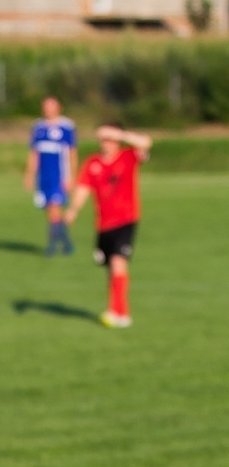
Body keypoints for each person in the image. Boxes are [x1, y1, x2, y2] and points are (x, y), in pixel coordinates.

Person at [64, 123, 151, 329]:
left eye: (110, 138)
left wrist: (120, 133)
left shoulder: (128, 156)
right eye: (103, 139)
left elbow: (146, 143)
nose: (106, 143)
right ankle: (120, 312)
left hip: (126, 219)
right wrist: (73, 210)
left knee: (118, 261)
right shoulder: (93, 162)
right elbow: (83, 188)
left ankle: (116, 312)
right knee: (110, 269)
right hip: (104, 224)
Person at [24, 96, 77, 256]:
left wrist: (72, 175)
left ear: (59, 107)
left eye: (51, 106)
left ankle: (52, 245)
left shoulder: (66, 126)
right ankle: (66, 242)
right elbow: (34, 153)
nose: (48, 109)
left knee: (55, 208)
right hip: (43, 176)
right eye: (45, 106)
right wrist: (29, 175)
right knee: (49, 210)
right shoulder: (38, 127)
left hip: (59, 175)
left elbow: (72, 153)